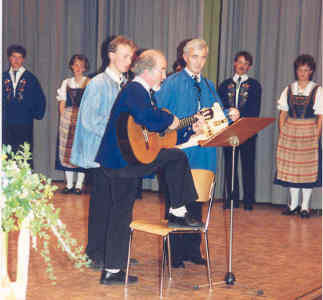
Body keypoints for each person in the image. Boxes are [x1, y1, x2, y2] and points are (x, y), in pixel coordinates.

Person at [95, 49, 203, 285]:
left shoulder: (144, 93)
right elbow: (148, 118)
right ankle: (178, 212)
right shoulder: (136, 90)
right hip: (123, 161)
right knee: (175, 158)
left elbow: (157, 131)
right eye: (162, 69)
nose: (165, 74)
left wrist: (186, 128)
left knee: (121, 215)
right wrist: (168, 120)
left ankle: (112, 271)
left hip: (126, 161)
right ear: (147, 71)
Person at [155, 38, 239, 268]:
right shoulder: (171, 84)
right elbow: (159, 117)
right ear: (185, 57)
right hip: (180, 151)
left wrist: (230, 115)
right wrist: (186, 128)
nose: (199, 62)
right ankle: (174, 253)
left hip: (205, 152)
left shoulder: (210, 85)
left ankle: (193, 249)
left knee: (197, 201)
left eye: (203, 57)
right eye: (195, 56)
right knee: (178, 201)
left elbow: (217, 116)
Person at [70, 36, 137, 268]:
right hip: (101, 157)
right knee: (101, 207)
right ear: (111, 55)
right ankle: (94, 253)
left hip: (117, 156)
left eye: (130, 56)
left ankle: (114, 252)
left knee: (116, 206)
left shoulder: (124, 84)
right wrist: (119, 134)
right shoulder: (98, 83)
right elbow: (89, 121)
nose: (129, 61)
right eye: (125, 56)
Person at [274, 54, 322, 218]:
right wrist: (282, 132)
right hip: (291, 130)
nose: (303, 73)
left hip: (309, 130)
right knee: (292, 169)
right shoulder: (289, 88)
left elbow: (321, 115)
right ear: (296, 70)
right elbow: (283, 113)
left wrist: (316, 135)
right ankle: (293, 204)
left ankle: (305, 207)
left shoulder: (317, 90)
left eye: (306, 70)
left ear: (311, 71)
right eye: (300, 70)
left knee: (307, 170)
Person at [218, 51, 262, 210]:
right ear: (234, 63)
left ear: (249, 66)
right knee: (230, 165)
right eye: (240, 62)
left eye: (246, 63)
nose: (242, 65)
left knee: (248, 165)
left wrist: (240, 116)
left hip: (247, 129)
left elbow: (254, 108)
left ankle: (249, 200)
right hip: (228, 130)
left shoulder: (255, 85)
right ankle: (231, 199)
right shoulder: (224, 84)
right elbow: (220, 106)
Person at [2, 44, 46, 165]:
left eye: (19, 57)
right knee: (6, 153)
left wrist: (34, 113)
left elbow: (40, 99)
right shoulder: (3, 77)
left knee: (24, 153)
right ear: (9, 58)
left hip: (24, 123)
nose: (16, 60)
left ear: (23, 59)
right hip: (6, 122)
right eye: (13, 57)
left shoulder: (31, 78)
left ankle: (25, 182)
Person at [55, 54, 90, 194]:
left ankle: (79, 185)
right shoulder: (66, 82)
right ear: (71, 66)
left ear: (85, 68)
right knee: (67, 151)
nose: (78, 68)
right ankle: (69, 184)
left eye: (81, 65)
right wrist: (63, 117)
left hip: (82, 119)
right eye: (75, 65)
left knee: (81, 151)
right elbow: (62, 101)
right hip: (68, 119)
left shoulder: (89, 82)